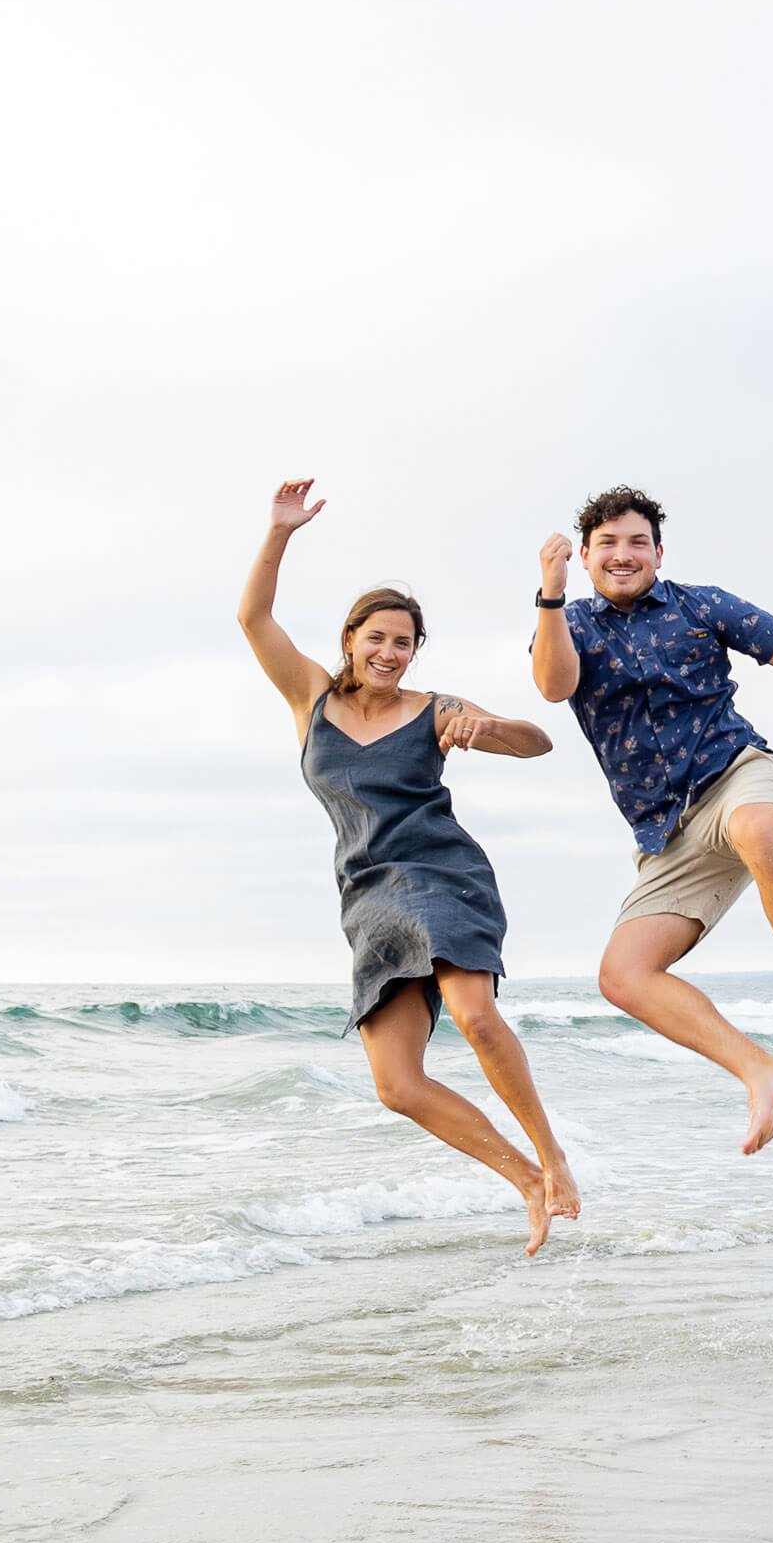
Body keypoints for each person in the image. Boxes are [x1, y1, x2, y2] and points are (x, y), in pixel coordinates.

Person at [240, 478, 578, 1255]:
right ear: (351, 638)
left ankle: (555, 1157)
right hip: (368, 896)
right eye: (378, 638)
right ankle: (526, 1179)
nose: (390, 652)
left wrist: (484, 726)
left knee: (476, 1014)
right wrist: (280, 532)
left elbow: (540, 740)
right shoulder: (311, 700)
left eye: (404, 642)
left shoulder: (432, 708)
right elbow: (252, 618)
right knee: (396, 1084)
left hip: (442, 874)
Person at [531, 485, 773, 1156]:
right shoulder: (571, 624)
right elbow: (554, 685)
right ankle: (762, 1070)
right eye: (607, 544)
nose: (623, 555)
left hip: (742, 773)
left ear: (658, 551)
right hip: (667, 830)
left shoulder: (699, 604)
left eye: (637, 542)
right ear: (587, 556)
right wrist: (551, 593)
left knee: (757, 827)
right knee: (623, 975)